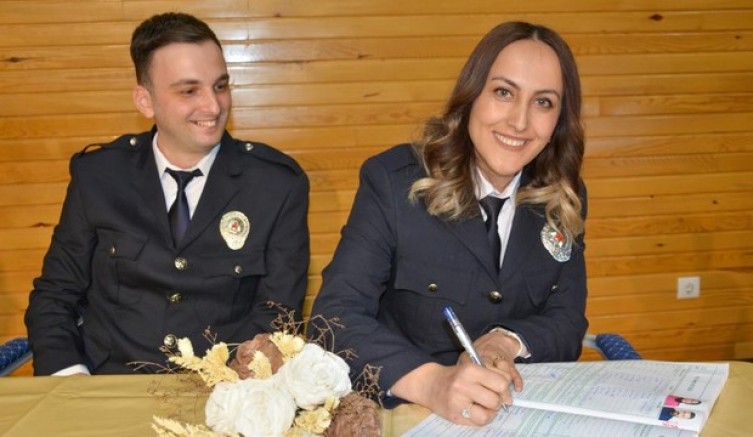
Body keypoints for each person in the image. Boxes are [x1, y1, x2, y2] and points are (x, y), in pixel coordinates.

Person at [309, 21, 587, 426]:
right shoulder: (394, 181)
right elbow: (333, 319)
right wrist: (433, 384)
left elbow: (567, 320)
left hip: (513, 414)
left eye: (543, 102)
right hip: (406, 410)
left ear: (559, 120)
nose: (520, 122)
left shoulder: (562, 195)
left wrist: (506, 341)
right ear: (472, 96)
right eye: (504, 93)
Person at [24, 12, 310, 376]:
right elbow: (55, 296)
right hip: (108, 385)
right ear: (145, 101)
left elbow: (278, 315)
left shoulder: (275, 185)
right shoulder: (99, 176)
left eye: (220, 86)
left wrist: (242, 382)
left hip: (224, 391)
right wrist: (72, 380)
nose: (213, 106)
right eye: (189, 91)